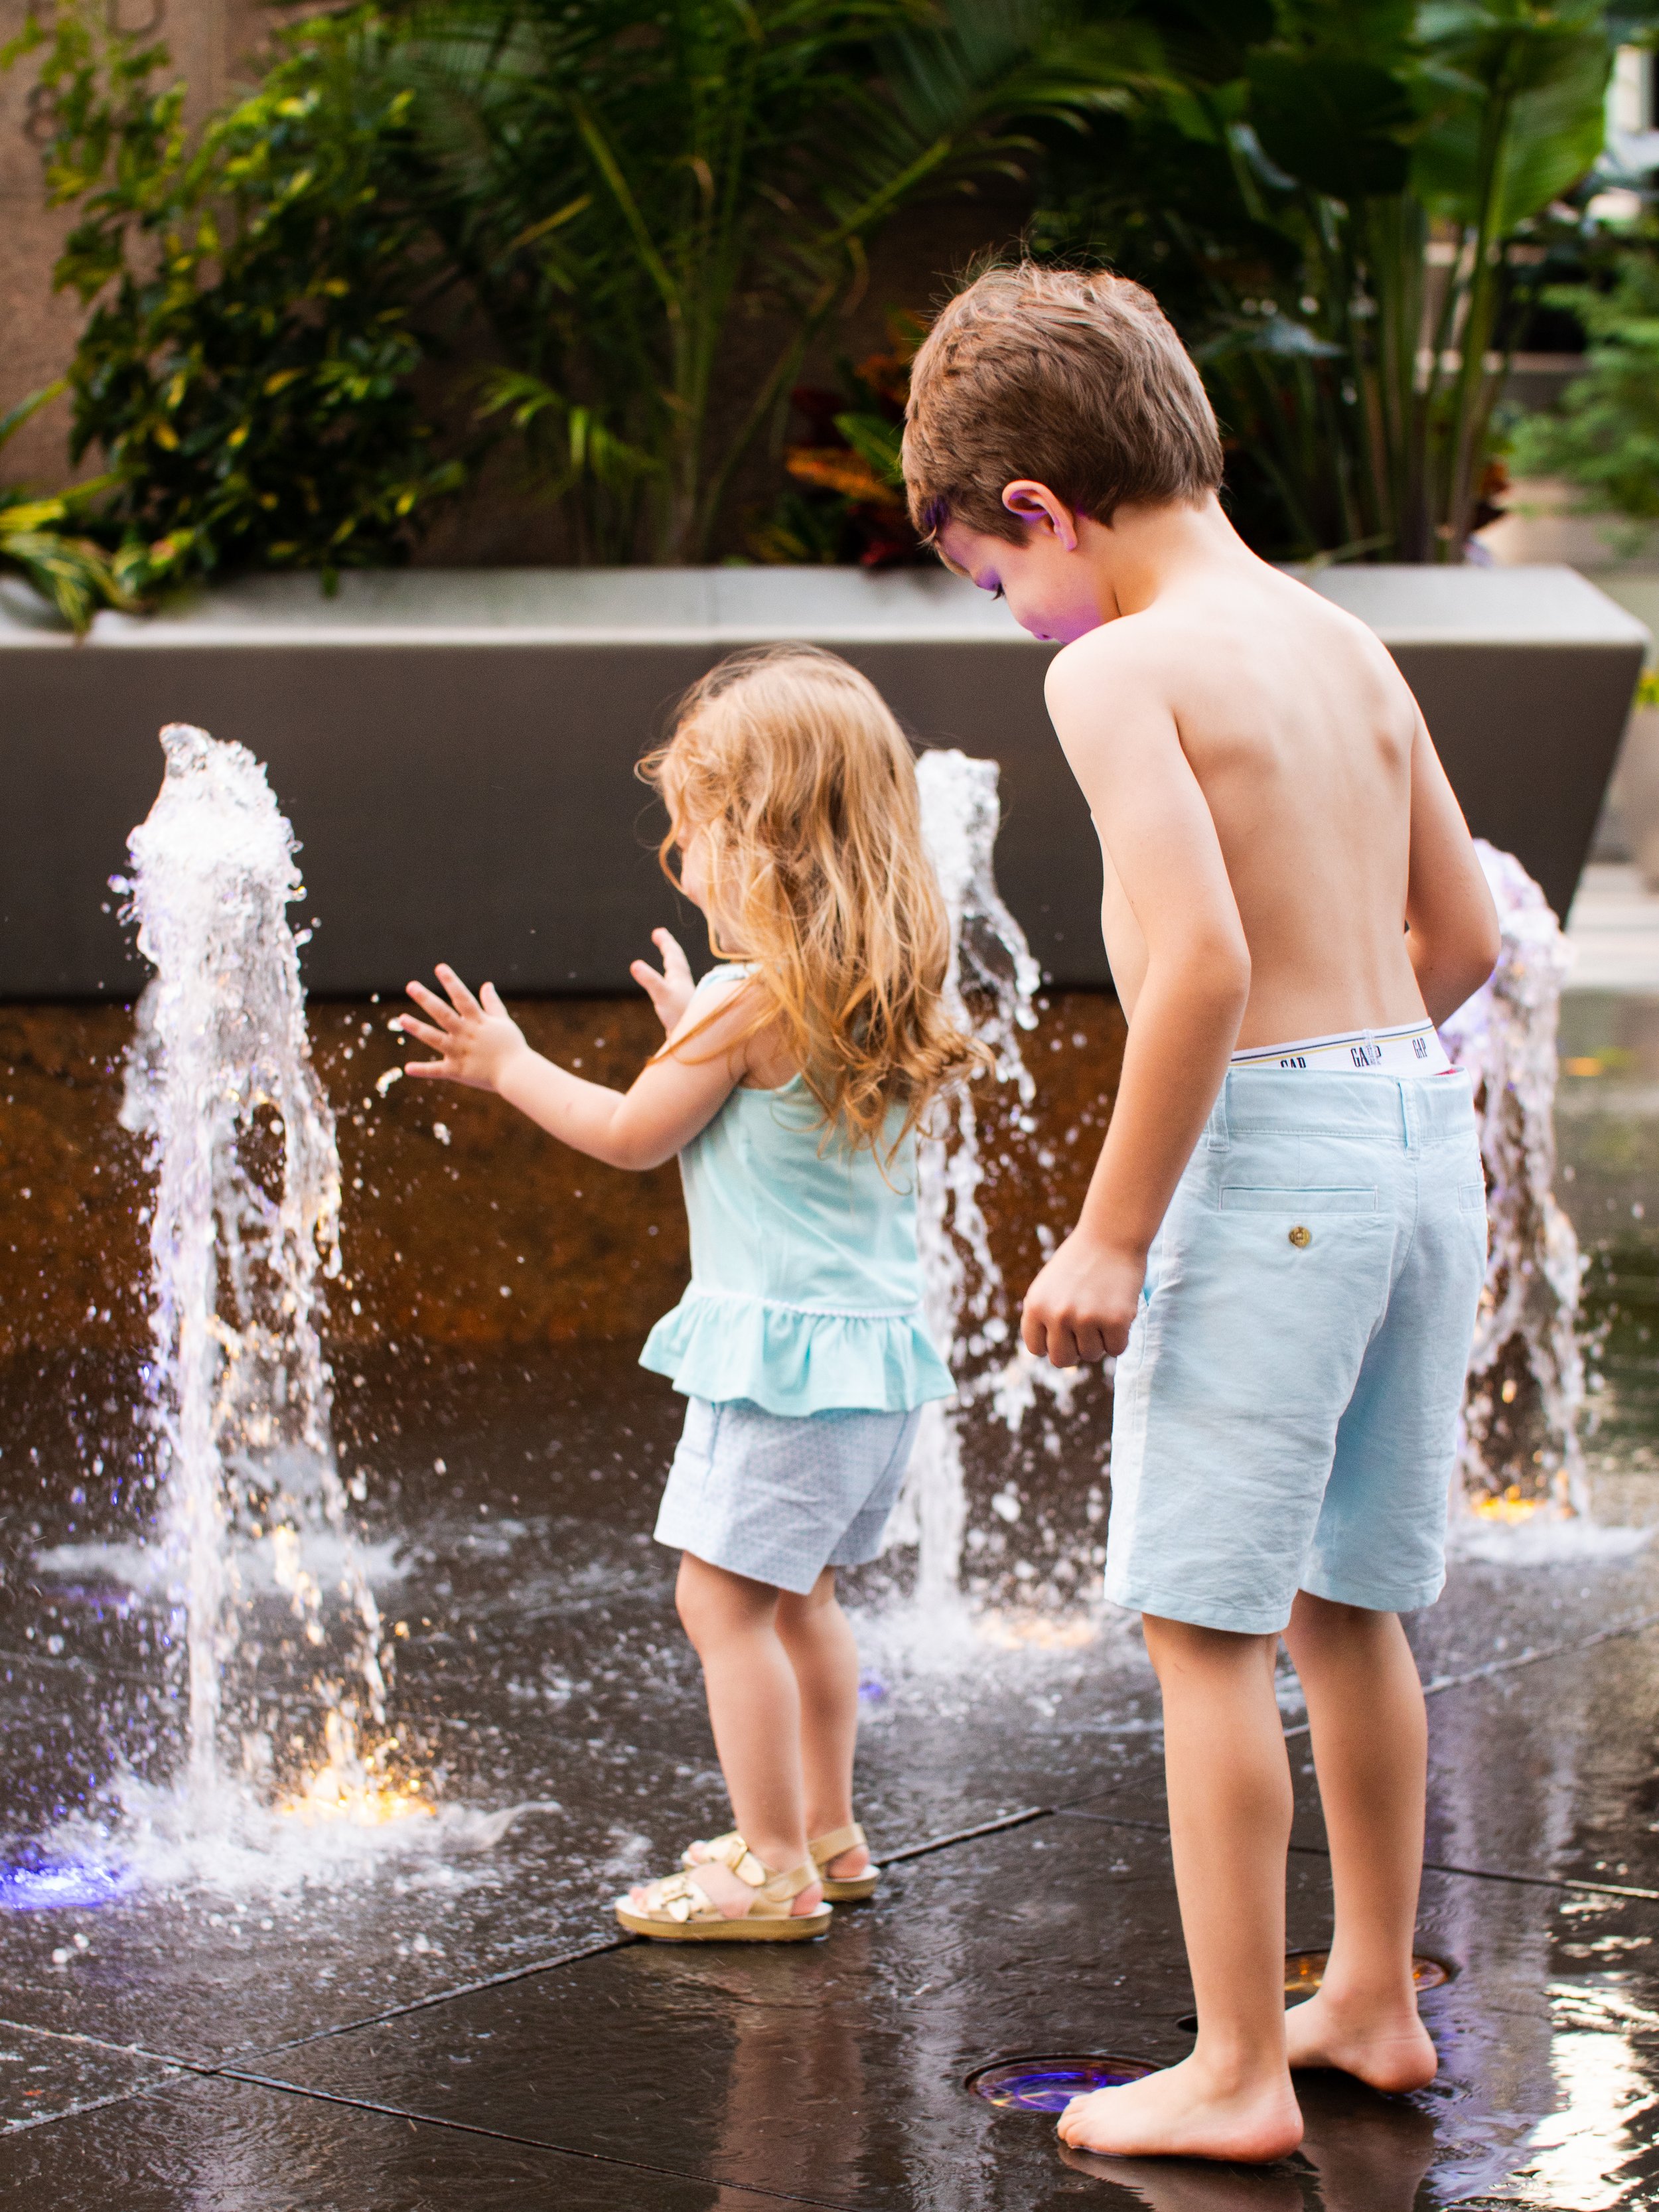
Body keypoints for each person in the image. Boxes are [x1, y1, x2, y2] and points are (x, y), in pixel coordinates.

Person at [902, 263, 1499, 2162]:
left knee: (1206, 1623)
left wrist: (1111, 1230)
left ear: (1036, 508)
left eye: (994, 578)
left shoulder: (1114, 669)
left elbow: (1203, 968)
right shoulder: (1341, 638)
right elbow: (1464, 936)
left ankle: (1234, 2066)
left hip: (1271, 1170)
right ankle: (1373, 1993)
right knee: (1351, 1601)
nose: (1017, 618)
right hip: (1418, 1138)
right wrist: (1361, 1077)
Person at [396, 644, 978, 1943]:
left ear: (768, 837)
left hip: (781, 1372)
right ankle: (826, 1829)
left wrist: (508, 1062)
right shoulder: (871, 987)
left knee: (718, 1603)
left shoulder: (745, 997)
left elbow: (628, 1133)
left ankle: (768, 1866)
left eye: (695, 830)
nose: (681, 857)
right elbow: (766, 1117)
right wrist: (694, 1033)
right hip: (870, 1366)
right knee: (802, 1597)